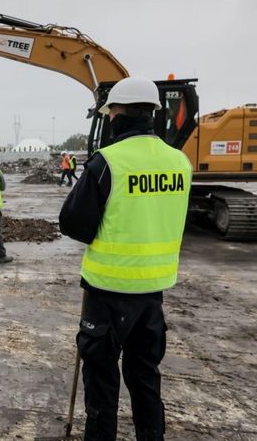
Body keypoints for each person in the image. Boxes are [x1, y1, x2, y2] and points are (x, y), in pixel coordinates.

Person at [59, 77, 192, 441]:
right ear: (151, 114)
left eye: (111, 111)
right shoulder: (179, 162)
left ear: (117, 114)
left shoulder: (108, 162)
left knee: (102, 387)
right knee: (145, 379)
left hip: (107, 293)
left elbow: (73, 223)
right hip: (153, 296)